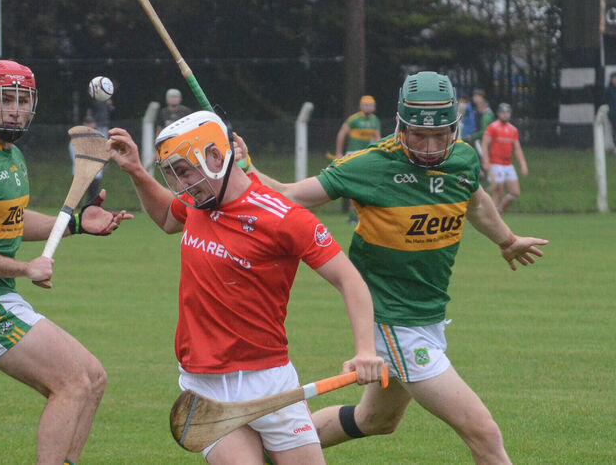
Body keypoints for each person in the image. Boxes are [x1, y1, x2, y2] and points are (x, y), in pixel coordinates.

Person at [240, 71, 548, 465]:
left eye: (441, 135)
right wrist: (247, 166)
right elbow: (287, 196)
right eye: (419, 134)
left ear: (455, 128)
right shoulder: (369, 166)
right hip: (393, 321)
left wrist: (506, 240)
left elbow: (475, 201)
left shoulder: (463, 159)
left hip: (429, 315)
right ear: (400, 125)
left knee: (376, 419)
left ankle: (266, 452)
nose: (430, 146)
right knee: (483, 432)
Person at [107, 111, 385, 464]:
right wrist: (135, 170)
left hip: (270, 379)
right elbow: (165, 218)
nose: (182, 185)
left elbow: (350, 280)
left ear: (216, 156)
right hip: (204, 385)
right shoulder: (196, 202)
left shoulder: (284, 217)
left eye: (186, 171)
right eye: (173, 174)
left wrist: (365, 350)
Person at [0, 60, 133, 465]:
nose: (14, 110)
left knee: (93, 379)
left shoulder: (11, 156)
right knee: (72, 382)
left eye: (22, 101)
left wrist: (76, 223)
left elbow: (13, 222)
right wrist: (26, 268)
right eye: (4, 100)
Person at [333, 95, 380, 224]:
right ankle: (353, 215)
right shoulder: (354, 119)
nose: (368, 107)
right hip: (353, 154)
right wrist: (339, 152)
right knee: (355, 184)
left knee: (366, 184)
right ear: (361, 106)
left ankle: (360, 214)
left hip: (367, 155)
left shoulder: (375, 120)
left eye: (371, 105)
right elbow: (342, 133)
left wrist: (378, 154)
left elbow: (377, 138)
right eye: (366, 105)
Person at [481, 103, 527, 214]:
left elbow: (517, 148)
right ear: (498, 114)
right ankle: (490, 216)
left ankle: (498, 212)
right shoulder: (493, 127)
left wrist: (523, 164)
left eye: (507, 113)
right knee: (498, 191)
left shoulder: (513, 130)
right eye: (503, 112)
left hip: (508, 165)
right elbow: (484, 144)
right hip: (496, 164)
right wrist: (485, 160)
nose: (505, 115)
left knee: (515, 192)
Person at [68, 115, 104, 202]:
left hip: (94, 172)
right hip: (80, 172)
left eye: (91, 123)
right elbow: (74, 154)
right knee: (77, 197)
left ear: (94, 125)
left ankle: (91, 210)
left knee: (93, 195)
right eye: (87, 123)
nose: (90, 125)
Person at [465, 88, 495, 179]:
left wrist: (473, 136)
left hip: (482, 139)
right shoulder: (474, 110)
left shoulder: (486, 114)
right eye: (474, 96)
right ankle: (482, 174)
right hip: (479, 138)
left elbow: (484, 130)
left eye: (477, 96)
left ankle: (491, 178)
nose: (475, 98)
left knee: (483, 156)